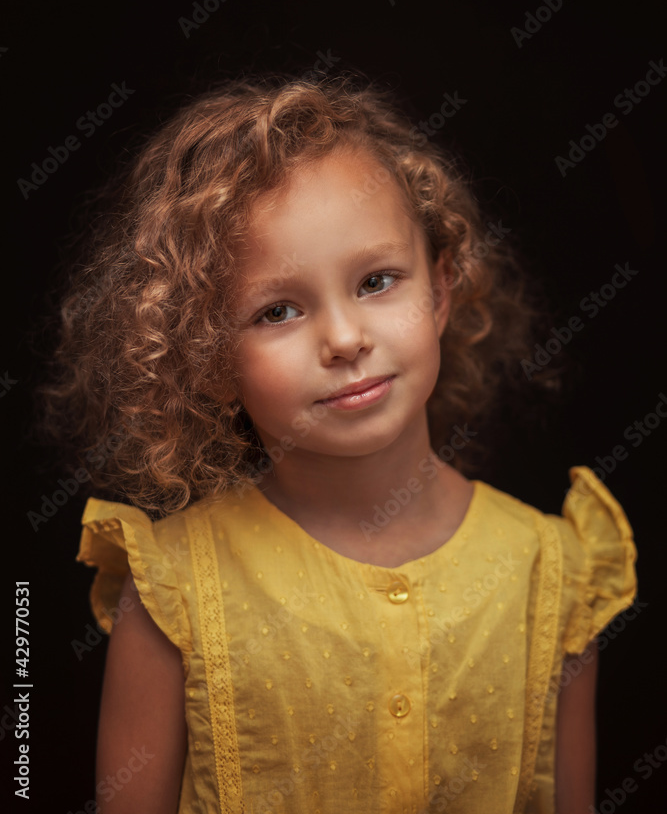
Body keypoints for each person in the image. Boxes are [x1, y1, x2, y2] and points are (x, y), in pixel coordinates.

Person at [41, 74, 637, 813]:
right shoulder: (171, 592)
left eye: (377, 281)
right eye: (278, 310)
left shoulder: (554, 575)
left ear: (442, 289)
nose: (346, 338)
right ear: (208, 359)